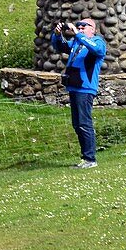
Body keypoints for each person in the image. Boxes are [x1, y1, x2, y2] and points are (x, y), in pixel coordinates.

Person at [51, 18, 107, 169]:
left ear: (93, 29)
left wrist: (77, 34)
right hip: (74, 88)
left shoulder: (97, 42)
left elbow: (98, 50)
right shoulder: (77, 43)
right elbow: (60, 46)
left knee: (84, 123)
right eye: (78, 26)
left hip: (85, 89)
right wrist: (57, 35)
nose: (80, 28)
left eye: (84, 26)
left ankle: (90, 159)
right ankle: (86, 158)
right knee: (77, 125)